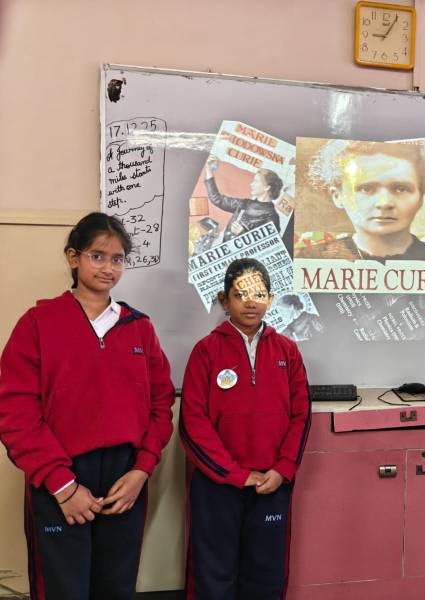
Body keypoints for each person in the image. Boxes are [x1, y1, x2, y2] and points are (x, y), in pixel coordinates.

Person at [0, 212, 175, 599]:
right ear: (73, 257)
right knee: (64, 587)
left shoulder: (139, 328)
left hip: (124, 477)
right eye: (98, 256)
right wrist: (62, 486)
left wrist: (142, 470)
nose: (108, 268)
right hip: (59, 474)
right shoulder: (38, 323)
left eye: (118, 259)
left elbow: (161, 404)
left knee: (116, 584)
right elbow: (15, 413)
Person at [180, 258, 311, 599]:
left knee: (266, 574)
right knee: (214, 573)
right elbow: (193, 422)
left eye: (259, 294)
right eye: (240, 295)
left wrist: (282, 469)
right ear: (224, 300)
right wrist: (234, 474)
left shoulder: (287, 351)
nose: (250, 303)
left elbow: (301, 415)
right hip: (218, 486)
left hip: (272, 483)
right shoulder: (206, 351)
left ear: (271, 298)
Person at [294, 141, 425, 262]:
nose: (384, 203)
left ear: (421, 196)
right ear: (337, 196)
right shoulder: (309, 259)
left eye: (401, 189)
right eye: (366, 189)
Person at [205, 158, 283, 242]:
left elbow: (268, 245)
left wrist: (242, 233)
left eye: (256, 181)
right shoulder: (245, 203)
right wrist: (208, 169)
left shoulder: (272, 216)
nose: (251, 184)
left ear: (266, 187)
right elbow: (217, 199)